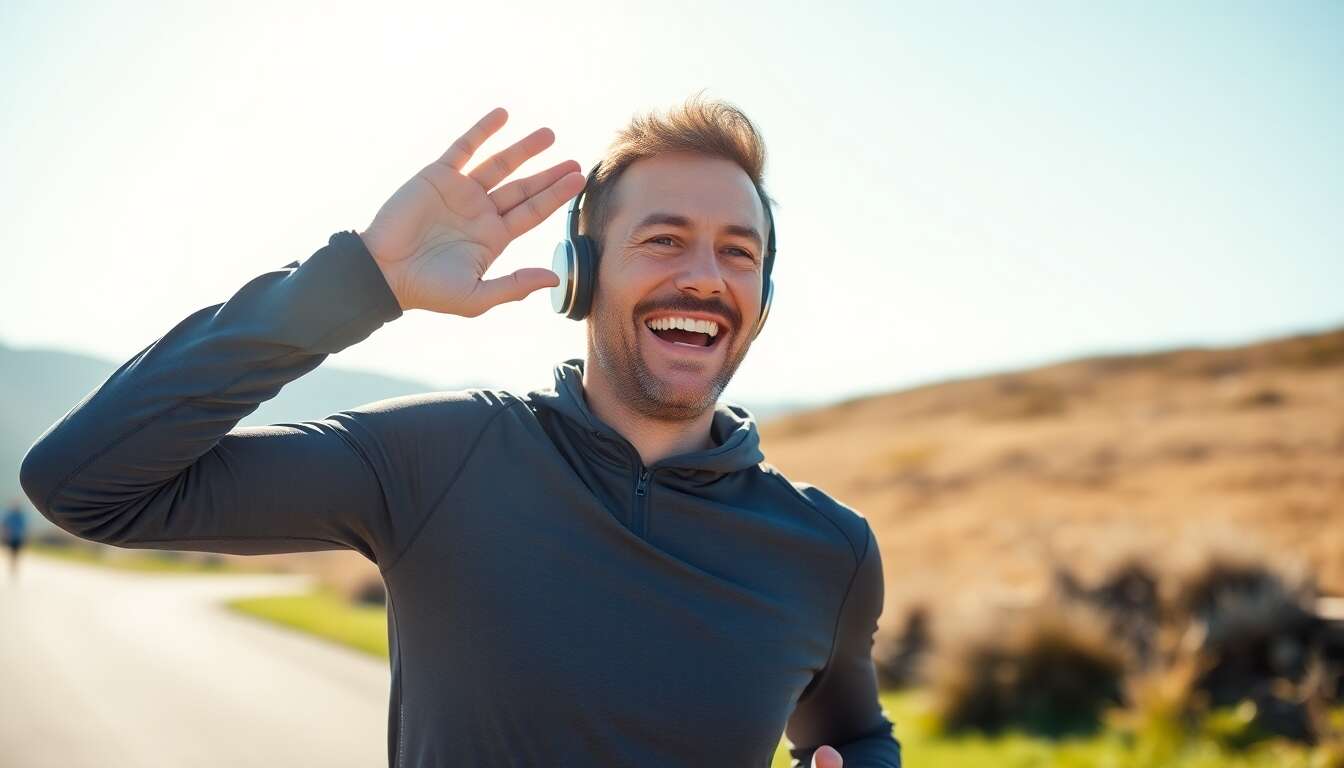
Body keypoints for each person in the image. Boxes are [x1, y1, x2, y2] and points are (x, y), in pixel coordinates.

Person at [20, 95, 900, 767]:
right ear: (578, 278)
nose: (705, 276)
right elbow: (86, 485)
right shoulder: (440, 459)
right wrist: (359, 281)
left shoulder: (827, 552)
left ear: (763, 299)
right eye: (664, 240)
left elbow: (853, 733)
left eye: (738, 252)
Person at [3, 500, 27, 581]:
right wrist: (6, 534)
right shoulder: (10, 515)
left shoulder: (20, 516)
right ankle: (12, 566)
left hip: (18, 537)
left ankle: (14, 566)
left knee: (16, 553)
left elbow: (23, 527)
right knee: (12, 553)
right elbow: (5, 525)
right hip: (12, 537)